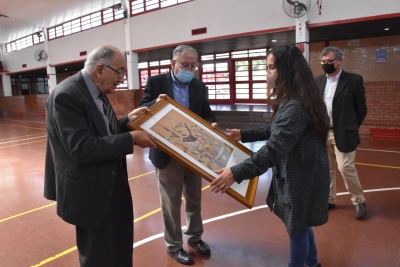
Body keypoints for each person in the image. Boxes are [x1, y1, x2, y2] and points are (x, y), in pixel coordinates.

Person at [210, 44, 330, 267]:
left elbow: (273, 149)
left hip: (302, 176)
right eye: (267, 67)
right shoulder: (293, 98)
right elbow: (273, 129)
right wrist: (243, 134)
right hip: (302, 172)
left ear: (288, 69)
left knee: (297, 228)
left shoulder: (295, 105)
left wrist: (236, 173)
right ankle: (313, 262)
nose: (268, 72)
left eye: (272, 67)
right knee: (301, 224)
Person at [44, 45, 157, 267]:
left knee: (121, 247)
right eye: (121, 71)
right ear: (100, 69)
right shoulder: (66, 95)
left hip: (114, 186)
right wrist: (131, 138)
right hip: (90, 192)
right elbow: (83, 148)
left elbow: (104, 132)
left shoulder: (98, 91)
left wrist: (127, 121)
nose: (122, 79)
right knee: (98, 257)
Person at [139, 44, 217, 265]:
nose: (189, 69)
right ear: (173, 63)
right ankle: (174, 246)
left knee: (194, 199)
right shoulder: (156, 83)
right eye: (185, 65)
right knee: (171, 203)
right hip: (167, 153)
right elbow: (142, 107)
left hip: (194, 153)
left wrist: (212, 122)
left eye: (193, 66)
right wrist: (155, 103)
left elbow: (206, 111)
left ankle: (195, 238)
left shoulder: (199, 86)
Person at [315, 46, 368, 220]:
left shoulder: (353, 80)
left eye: (330, 62)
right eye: (323, 62)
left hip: (344, 132)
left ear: (339, 61)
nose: (326, 65)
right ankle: (329, 199)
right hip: (324, 132)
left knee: (345, 167)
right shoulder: (318, 81)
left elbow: (361, 109)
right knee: (326, 169)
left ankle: (359, 200)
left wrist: (350, 126)